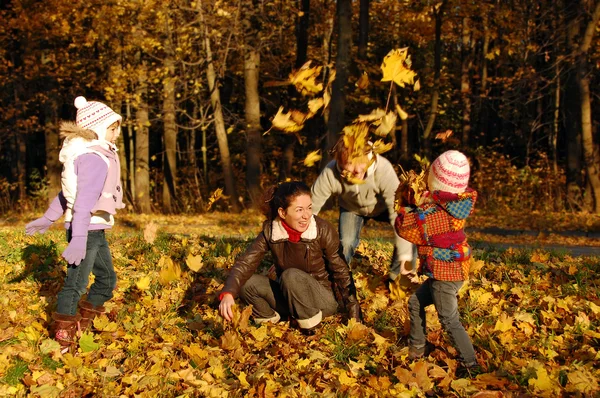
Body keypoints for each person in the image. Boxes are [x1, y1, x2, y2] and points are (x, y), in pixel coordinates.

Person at [25, 96, 125, 352]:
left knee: (106, 279)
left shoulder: (87, 153)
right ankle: (64, 333)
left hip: (93, 229)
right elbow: (80, 203)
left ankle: (85, 320)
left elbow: (67, 193)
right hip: (85, 229)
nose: (117, 133)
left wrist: (48, 217)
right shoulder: (93, 158)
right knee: (76, 283)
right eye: (114, 128)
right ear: (99, 128)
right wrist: (78, 238)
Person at [218, 181, 361, 334]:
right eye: (299, 210)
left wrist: (355, 315)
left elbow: (341, 271)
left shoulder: (323, 230)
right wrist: (228, 293)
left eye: (309, 208)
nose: (306, 215)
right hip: (289, 293)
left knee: (290, 275)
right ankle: (270, 323)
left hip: (321, 299)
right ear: (282, 213)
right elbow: (246, 263)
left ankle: (310, 326)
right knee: (247, 283)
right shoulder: (271, 231)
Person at [394, 150, 482, 378]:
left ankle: (470, 365)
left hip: (446, 275)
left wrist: (404, 200)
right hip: (448, 269)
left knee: (449, 319)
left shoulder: (437, 214)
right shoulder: (454, 203)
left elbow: (405, 227)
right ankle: (417, 349)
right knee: (415, 302)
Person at [310, 137, 416, 282]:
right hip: (351, 208)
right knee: (346, 243)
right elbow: (311, 206)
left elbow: (398, 215)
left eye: (361, 163)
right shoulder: (330, 172)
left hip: (383, 207)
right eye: (349, 164)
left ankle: (396, 279)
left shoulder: (383, 168)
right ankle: (337, 279)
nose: (357, 170)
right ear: (340, 162)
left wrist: (405, 258)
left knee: (410, 225)